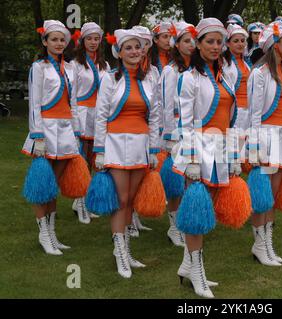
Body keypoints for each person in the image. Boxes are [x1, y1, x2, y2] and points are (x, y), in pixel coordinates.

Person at [172, 17, 238, 298]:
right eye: (209, 41)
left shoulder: (226, 76)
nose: (215, 46)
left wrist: (234, 154)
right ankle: (197, 273)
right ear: (197, 44)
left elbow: (231, 119)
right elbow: (184, 122)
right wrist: (191, 160)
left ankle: (188, 267)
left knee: (204, 210)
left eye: (218, 42)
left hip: (220, 147)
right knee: (196, 215)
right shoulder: (188, 78)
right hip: (198, 149)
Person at [95, 29, 161, 278]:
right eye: (129, 48)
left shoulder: (149, 79)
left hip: (140, 144)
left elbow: (154, 116)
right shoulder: (110, 79)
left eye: (138, 47)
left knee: (132, 200)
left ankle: (126, 250)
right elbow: (100, 116)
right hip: (116, 143)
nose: (135, 52)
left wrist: (154, 149)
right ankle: (119, 252)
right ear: (119, 52)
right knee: (121, 199)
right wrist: (99, 150)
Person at [21, 20, 79, 255]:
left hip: (65, 129)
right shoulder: (39, 67)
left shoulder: (71, 68)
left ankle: (52, 233)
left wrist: (75, 130)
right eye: (53, 39)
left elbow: (72, 102)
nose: (58, 43)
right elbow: (34, 103)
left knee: (53, 185)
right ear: (45, 42)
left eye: (62, 40)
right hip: (46, 128)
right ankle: (44, 233)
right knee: (42, 185)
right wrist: (37, 135)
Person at [247, 20, 282, 265]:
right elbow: (254, 113)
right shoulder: (259, 74)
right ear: (275, 45)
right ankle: (259, 245)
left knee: (274, 195)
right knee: (263, 196)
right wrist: (255, 146)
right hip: (266, 136)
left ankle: (268, 244)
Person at [160, 21, 196, 247]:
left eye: (193, 40)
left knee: (189, 178)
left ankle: (185, 222)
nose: (191, 45)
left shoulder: (196, 70)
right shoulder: (170, 70)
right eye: (186, 41)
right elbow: (165, 105)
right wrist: (169, 136)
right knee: (176, 179)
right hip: (175, 128)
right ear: (177, 43)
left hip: (192, 129)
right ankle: (174, 227)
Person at [71, 22, 110, 224]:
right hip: (83, 114)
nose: (93, 42)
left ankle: (86, 200)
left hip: (99, 115)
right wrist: (75, 120)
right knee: (82, 159)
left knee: (96, 159)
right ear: (82, 40)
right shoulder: (76, 64)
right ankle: (80, 201)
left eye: (96, 39)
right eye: (89, 39)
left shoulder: (104, 65)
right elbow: (73, 94)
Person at [128, 25, 155, 236]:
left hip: (146, 129)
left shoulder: (152, 71)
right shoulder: (122, 73)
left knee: (141, 175)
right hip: (127, 133)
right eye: (139, 44)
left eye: (145, 44)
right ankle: (129, 219)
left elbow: (157, 104)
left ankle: (135, 214)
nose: (142, 49)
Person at [222, 23, 252, 156]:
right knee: (235, 149)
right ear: (228, 44)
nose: (240, 44)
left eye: (242, 40)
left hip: (248, 110)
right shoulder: (224, 63)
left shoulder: (246, 63)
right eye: (235, 41)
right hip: (235, 111)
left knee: (246, 150)